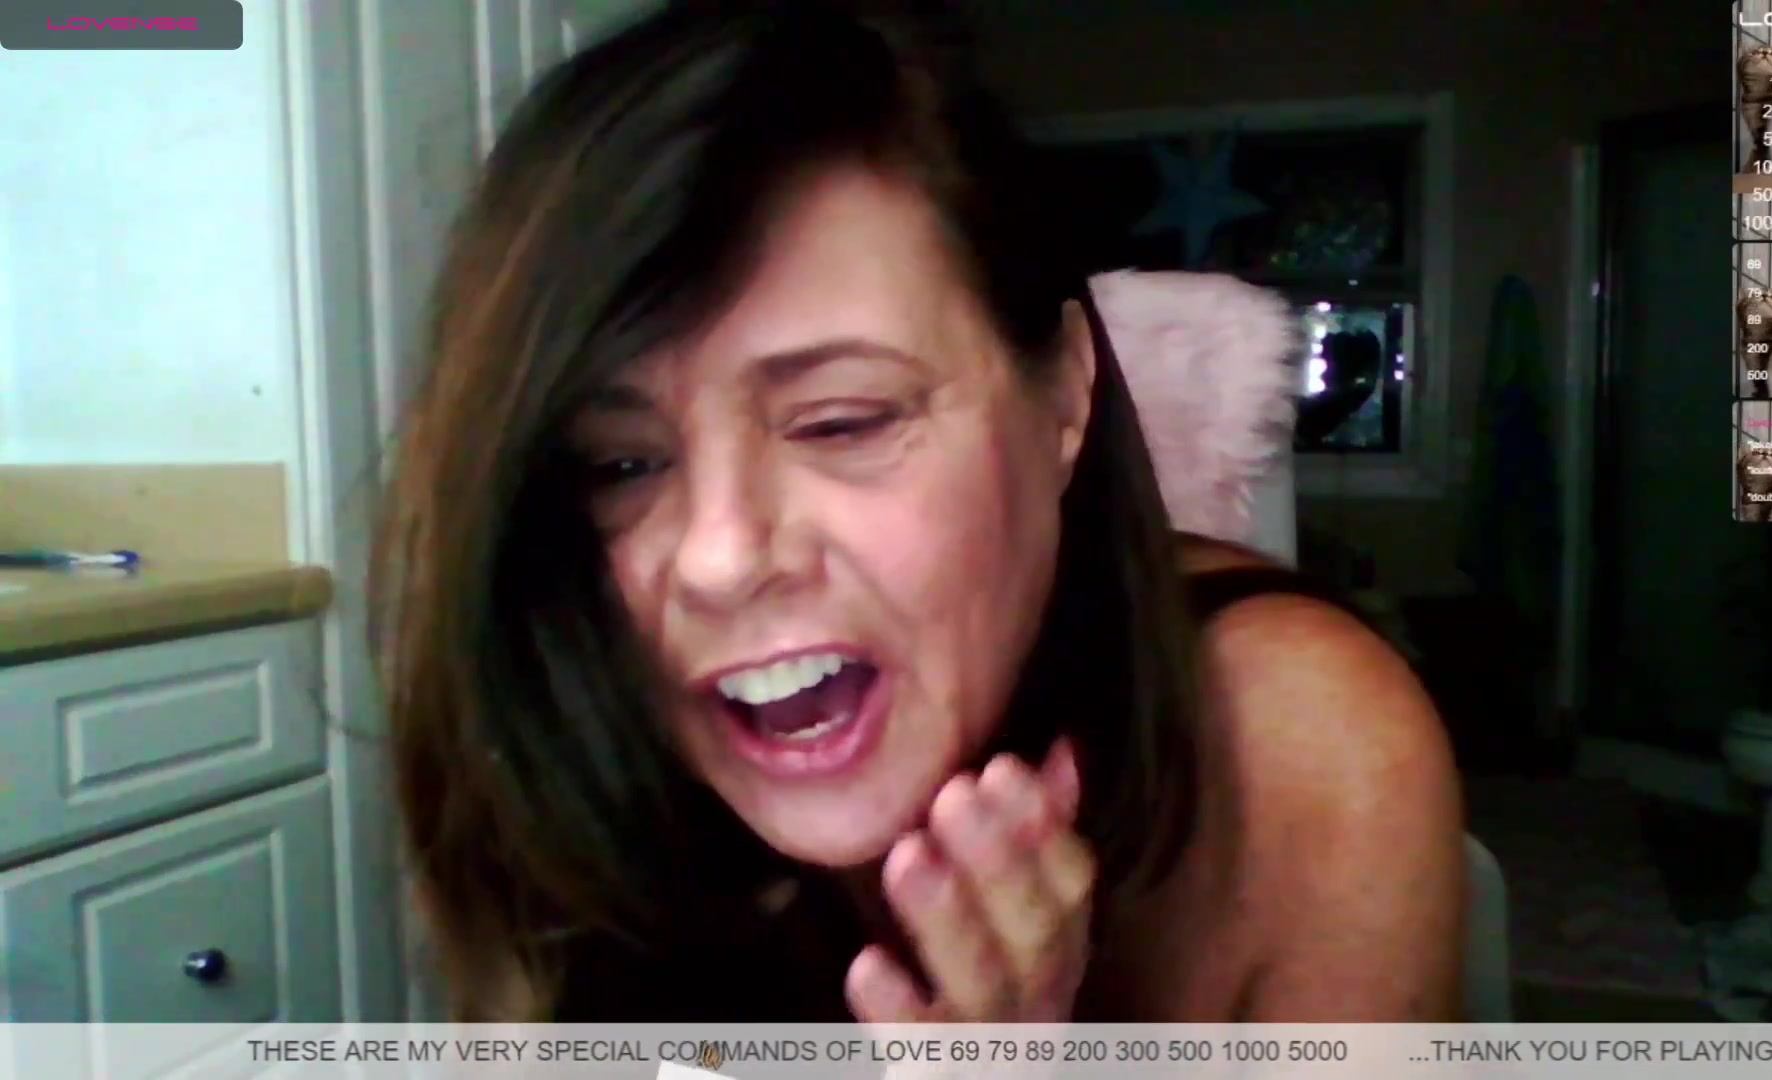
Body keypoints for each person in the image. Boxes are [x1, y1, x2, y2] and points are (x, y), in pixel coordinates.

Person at [373, 0, 1463, 1023]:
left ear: (1063, 396)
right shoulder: (552, 710)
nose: (718, 557)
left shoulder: (1304, 758)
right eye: (620, 463)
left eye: (842, 420)